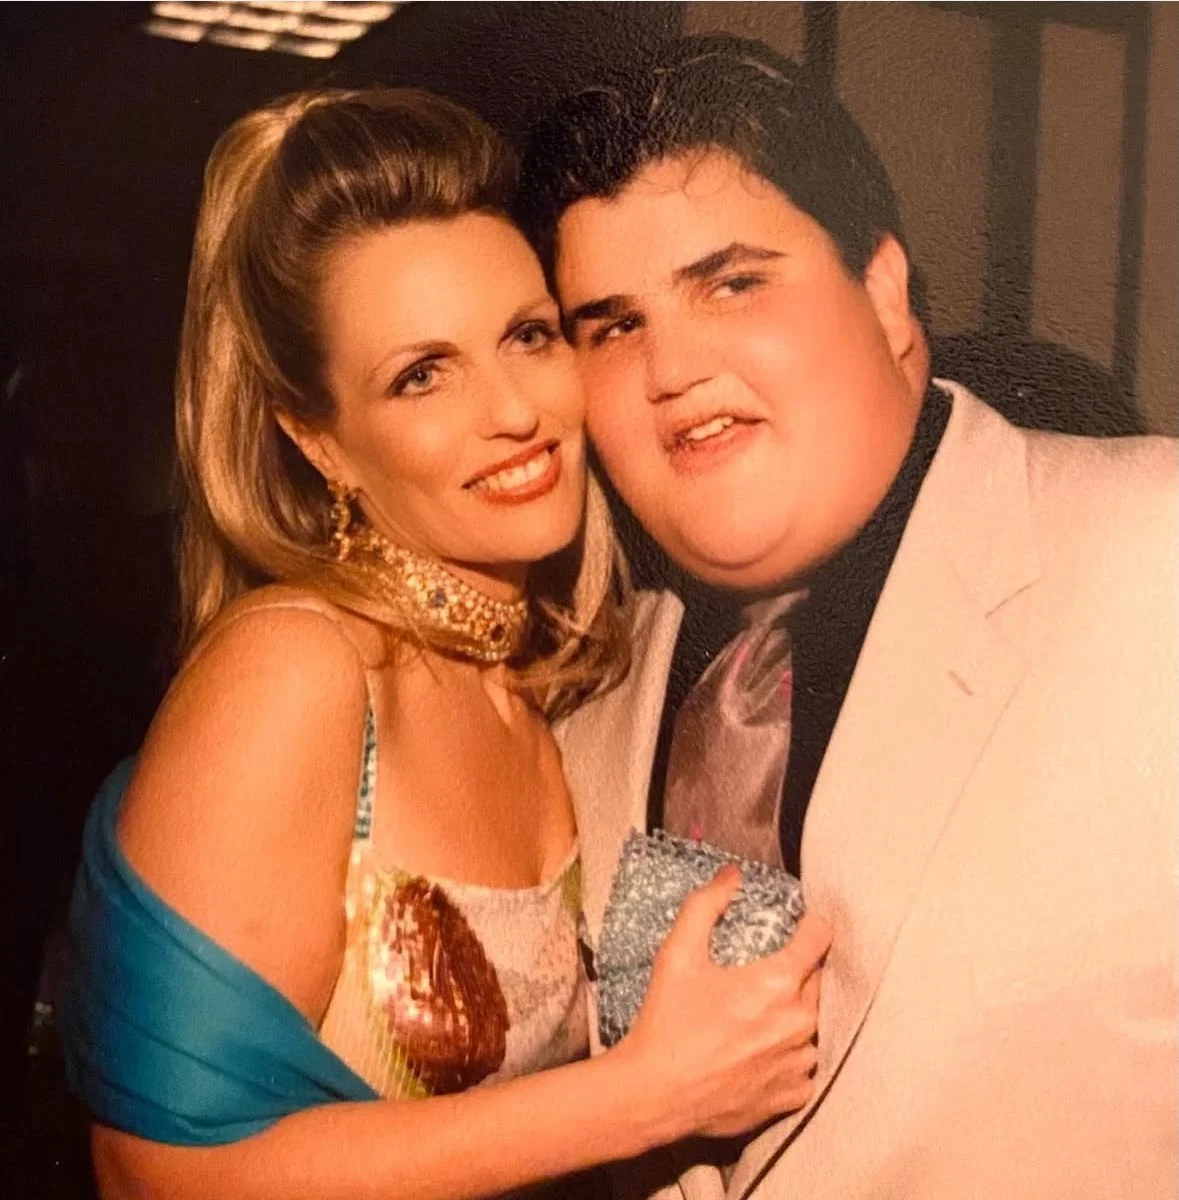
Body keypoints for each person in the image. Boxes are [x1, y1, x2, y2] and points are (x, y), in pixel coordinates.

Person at [59, 86, 833, 1200]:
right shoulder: (296, 667)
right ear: (318, 441)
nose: (512, 411)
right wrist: (645, 1096)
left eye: (528, 336)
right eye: (421, 375)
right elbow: (151, 1174)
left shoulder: (547, 690)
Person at [519, 35, 1178, 1200]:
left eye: (732, 283)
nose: (672, 367)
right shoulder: (575, 706)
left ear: (883, 292)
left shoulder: (1152, 554)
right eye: (613, 326)